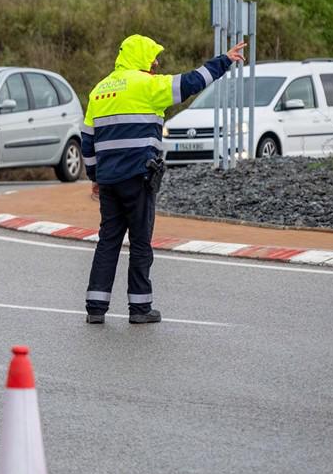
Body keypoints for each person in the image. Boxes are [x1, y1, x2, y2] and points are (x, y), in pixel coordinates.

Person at [82, 34, 247, 324]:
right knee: (141, 242)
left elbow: (87, 141)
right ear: (141, 57)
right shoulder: (146, 85)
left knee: (107, 241)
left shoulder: (100, 90)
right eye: (153, 56)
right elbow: (192, 82)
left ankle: (96, 307)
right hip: (138, 177)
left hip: (108, 181)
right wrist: (225, 60)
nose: (157, 63)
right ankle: (140, 309)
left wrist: (95, 176)